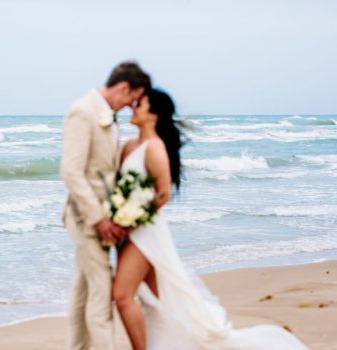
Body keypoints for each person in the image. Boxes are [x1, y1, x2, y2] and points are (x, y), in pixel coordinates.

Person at [113, 88, 308, 350]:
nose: (133, 108)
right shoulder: (129, 146)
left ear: (154, 115)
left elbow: (162, 195)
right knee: (154, 301)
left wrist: (130, 219)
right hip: (129, 230)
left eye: (140, 104)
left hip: (145, 230)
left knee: (122, 295)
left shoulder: (155, 148)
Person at [60, 61, 151, 350]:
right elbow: (71, 171)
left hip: (101, 219)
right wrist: (100, 219)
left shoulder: (104, 115)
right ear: (123, 87)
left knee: (83, 293)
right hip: (87, 220)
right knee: (101, 300)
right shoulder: (83, 111)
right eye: (132, 99)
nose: (130, 106)